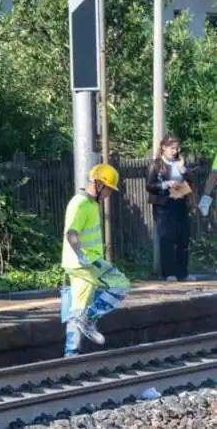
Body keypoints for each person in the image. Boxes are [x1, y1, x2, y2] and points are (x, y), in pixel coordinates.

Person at [62, 163, 130, 357]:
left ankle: (71, 353)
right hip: (87, 262)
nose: (109, 194)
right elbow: (71, 232)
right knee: (121, 285)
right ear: (99, 184)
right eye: (109, 189)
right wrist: (80, 254)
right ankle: (89, 318)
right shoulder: (81, 203)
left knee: (77, 307)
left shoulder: (91, 203)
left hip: (79, 262)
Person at [145, 135, 197, 282]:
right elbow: (149, 185)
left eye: (176, 148)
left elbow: (191, 182)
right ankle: (169, 273)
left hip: (180, 203)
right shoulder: (155, 164)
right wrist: (166, 184)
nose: (175, 151)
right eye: (172, 148)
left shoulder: (180, 162)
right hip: (164, 205)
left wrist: (184, 170)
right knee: (167, 238)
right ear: (164, 147)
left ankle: (183, 273)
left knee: (183, 237)